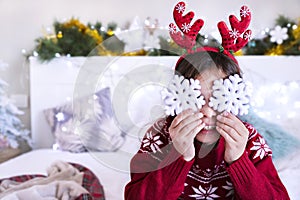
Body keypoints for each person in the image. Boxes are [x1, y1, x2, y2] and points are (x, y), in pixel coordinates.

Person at [124, 50, 290, 199]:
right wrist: (179, 155)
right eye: (195, 99)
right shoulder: (159, 136)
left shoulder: (248, 141)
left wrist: (238, 160)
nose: (208, 112)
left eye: (218, 99)